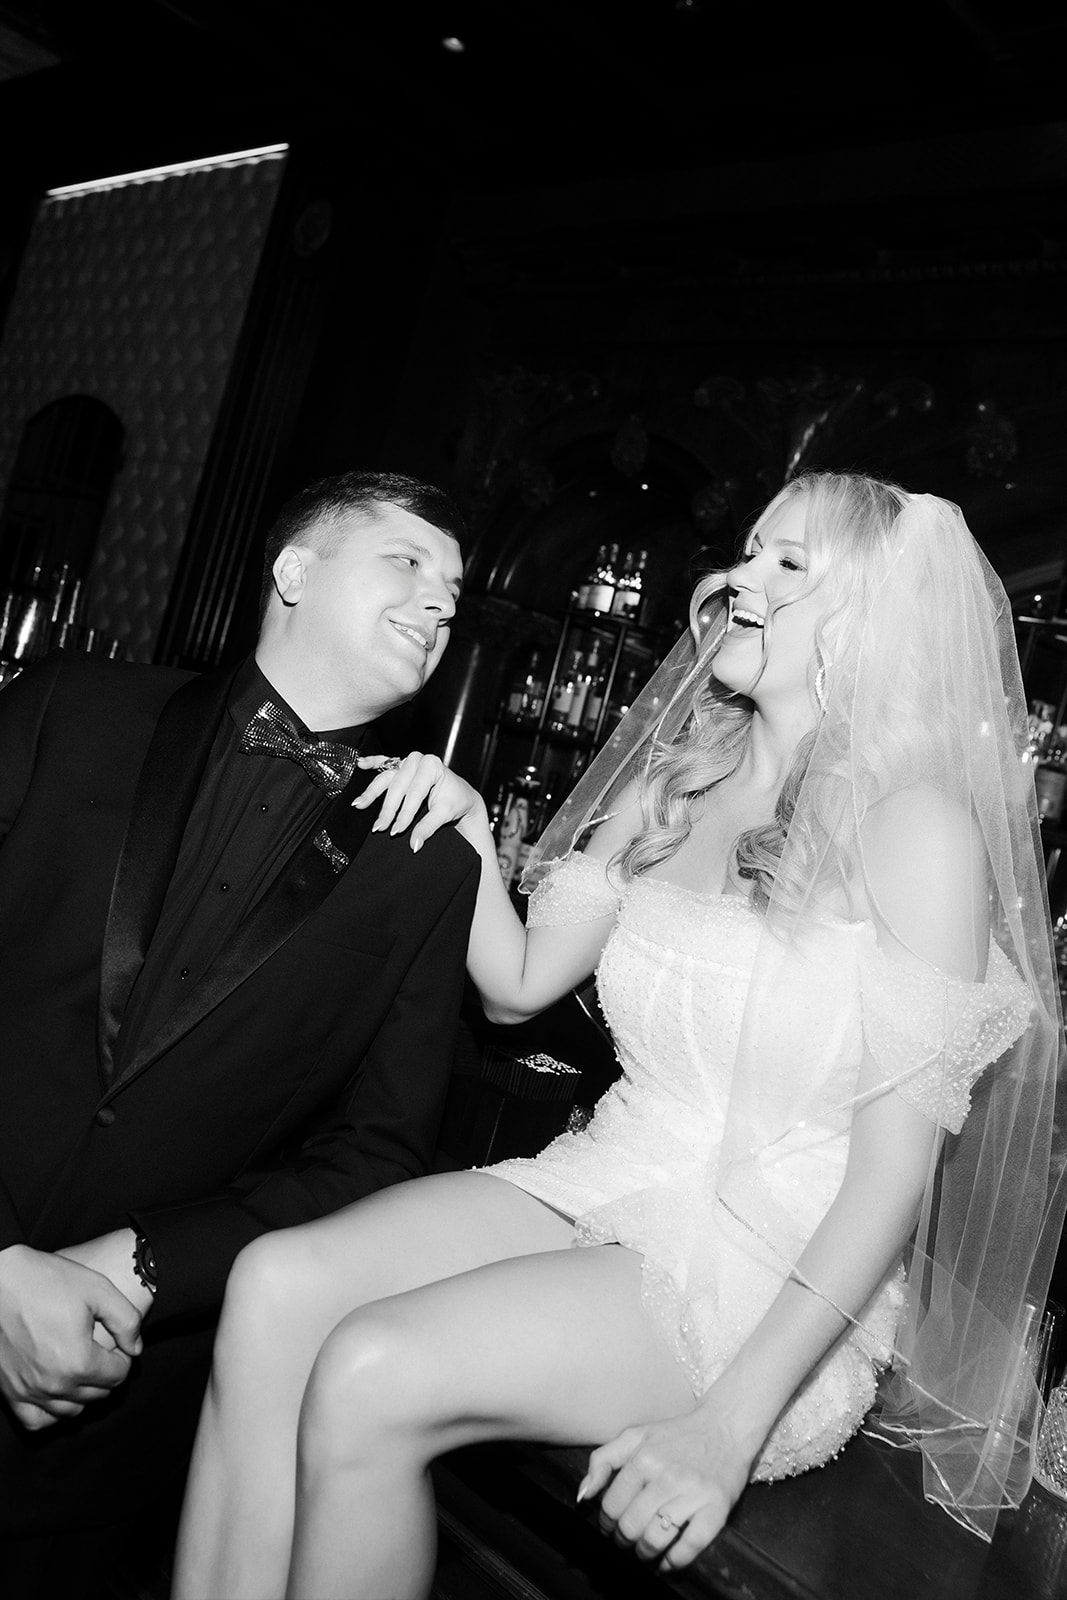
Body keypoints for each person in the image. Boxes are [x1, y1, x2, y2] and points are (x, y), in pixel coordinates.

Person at [173, 471, 1065, 1600]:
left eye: (788, 563)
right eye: (749, 548)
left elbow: (891, 1181)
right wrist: (465, 827)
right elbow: (516, 988)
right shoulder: (673, 786)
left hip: (768, 1276)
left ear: (872, 616)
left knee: (369, 1367)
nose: (739, 576)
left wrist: (726, 1429)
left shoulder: (918, 830)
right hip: (609, 1176)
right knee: (272, 1285)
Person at [0, 469, 478, 1598]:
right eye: (407, 561)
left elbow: (376, 1153)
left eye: (455, 594)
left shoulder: (429, 866)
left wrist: (143, 1262)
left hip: (104, 1412)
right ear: (294, 572)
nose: (438, 602)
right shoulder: (74, 706)